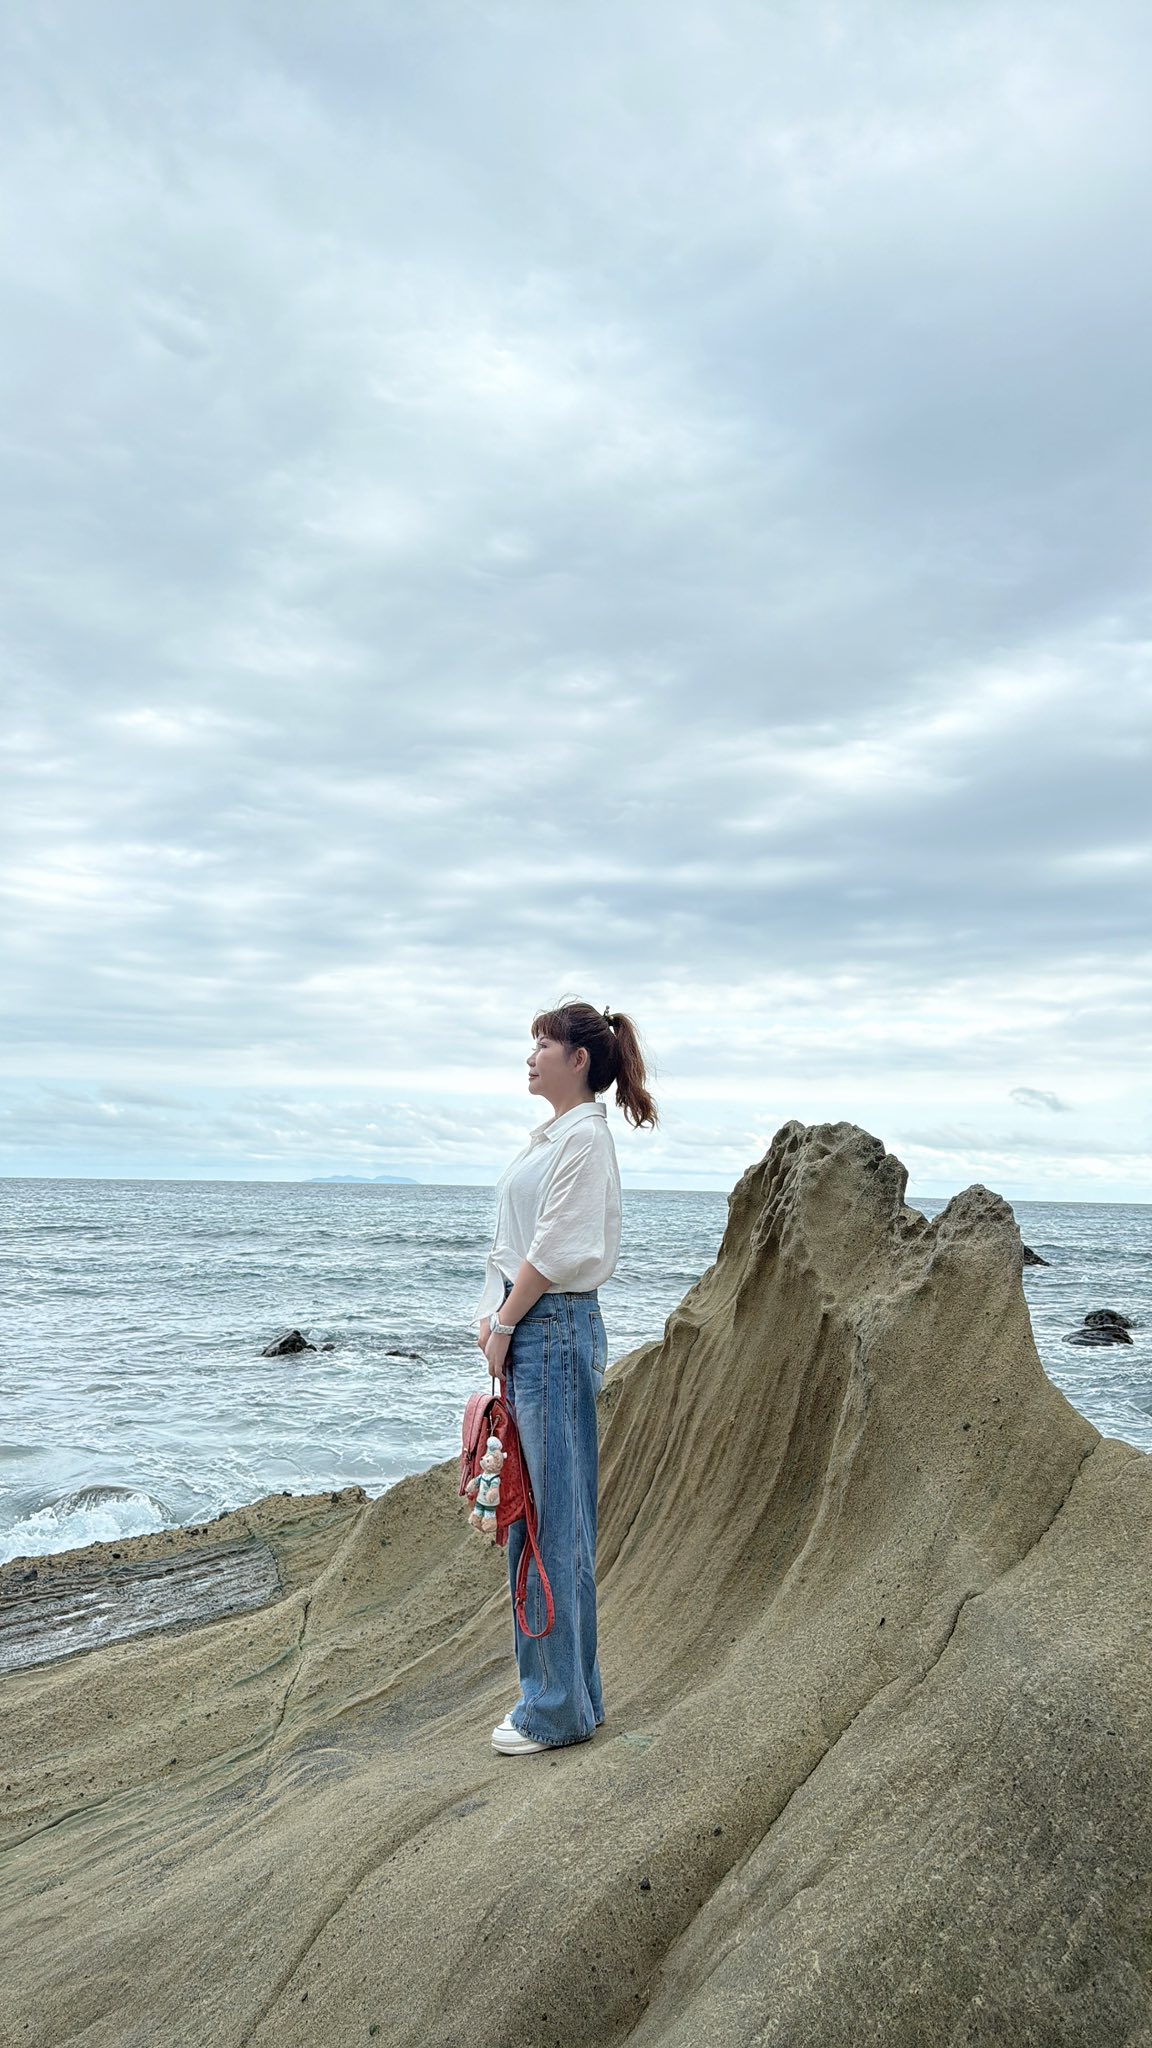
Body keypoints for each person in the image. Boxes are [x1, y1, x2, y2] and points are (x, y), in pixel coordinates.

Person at [475, 999, 658, 1756]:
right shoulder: (558, 1137)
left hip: (549, 1332)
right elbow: (517, 1244)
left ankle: (555, 1711)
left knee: (552, 1521)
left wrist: (505, 1323)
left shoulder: (583, 1138)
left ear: (578, 1059)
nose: (530, 1056)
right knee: (540, 1515)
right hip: (537, 1333)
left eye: (542, 1044)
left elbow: (553, 1250)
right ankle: (573, 1697)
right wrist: (493, 1319)